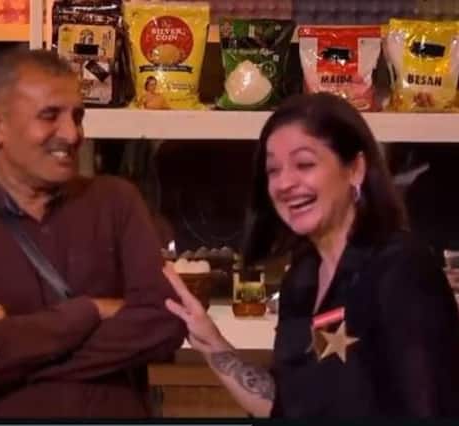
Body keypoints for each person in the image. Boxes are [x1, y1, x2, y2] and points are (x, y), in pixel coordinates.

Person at [0, 48, 185, 418]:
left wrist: (11, 350)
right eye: (49, 116)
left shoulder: (116, 201)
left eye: (78, 116)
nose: (72, 134)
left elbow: (165, 324)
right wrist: (90, 310)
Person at [164, 92, 459, 417]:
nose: (285, 183)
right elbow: (287, 405)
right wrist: (211, 342)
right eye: (273, 170)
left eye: (304, 164)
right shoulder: (302, 279)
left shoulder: (401, 270)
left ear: (355, 169)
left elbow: (431, 407)